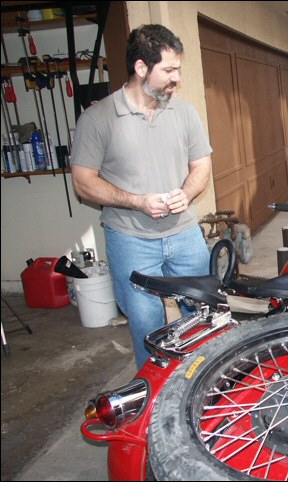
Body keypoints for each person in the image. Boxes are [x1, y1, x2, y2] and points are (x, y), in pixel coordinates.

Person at [71, 24, 212, 368]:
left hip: (185, 234)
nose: (177, 78)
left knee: (204, 315)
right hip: (130, 240)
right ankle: (154, 393)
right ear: (140, 67)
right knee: (148, 327)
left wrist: (186, 193)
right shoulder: (98, 118)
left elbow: (201, 167)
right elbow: (83, 182)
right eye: (169, 70)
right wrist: (137, 201)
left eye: (178, 69)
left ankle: (205, 383)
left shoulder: (185, 113)